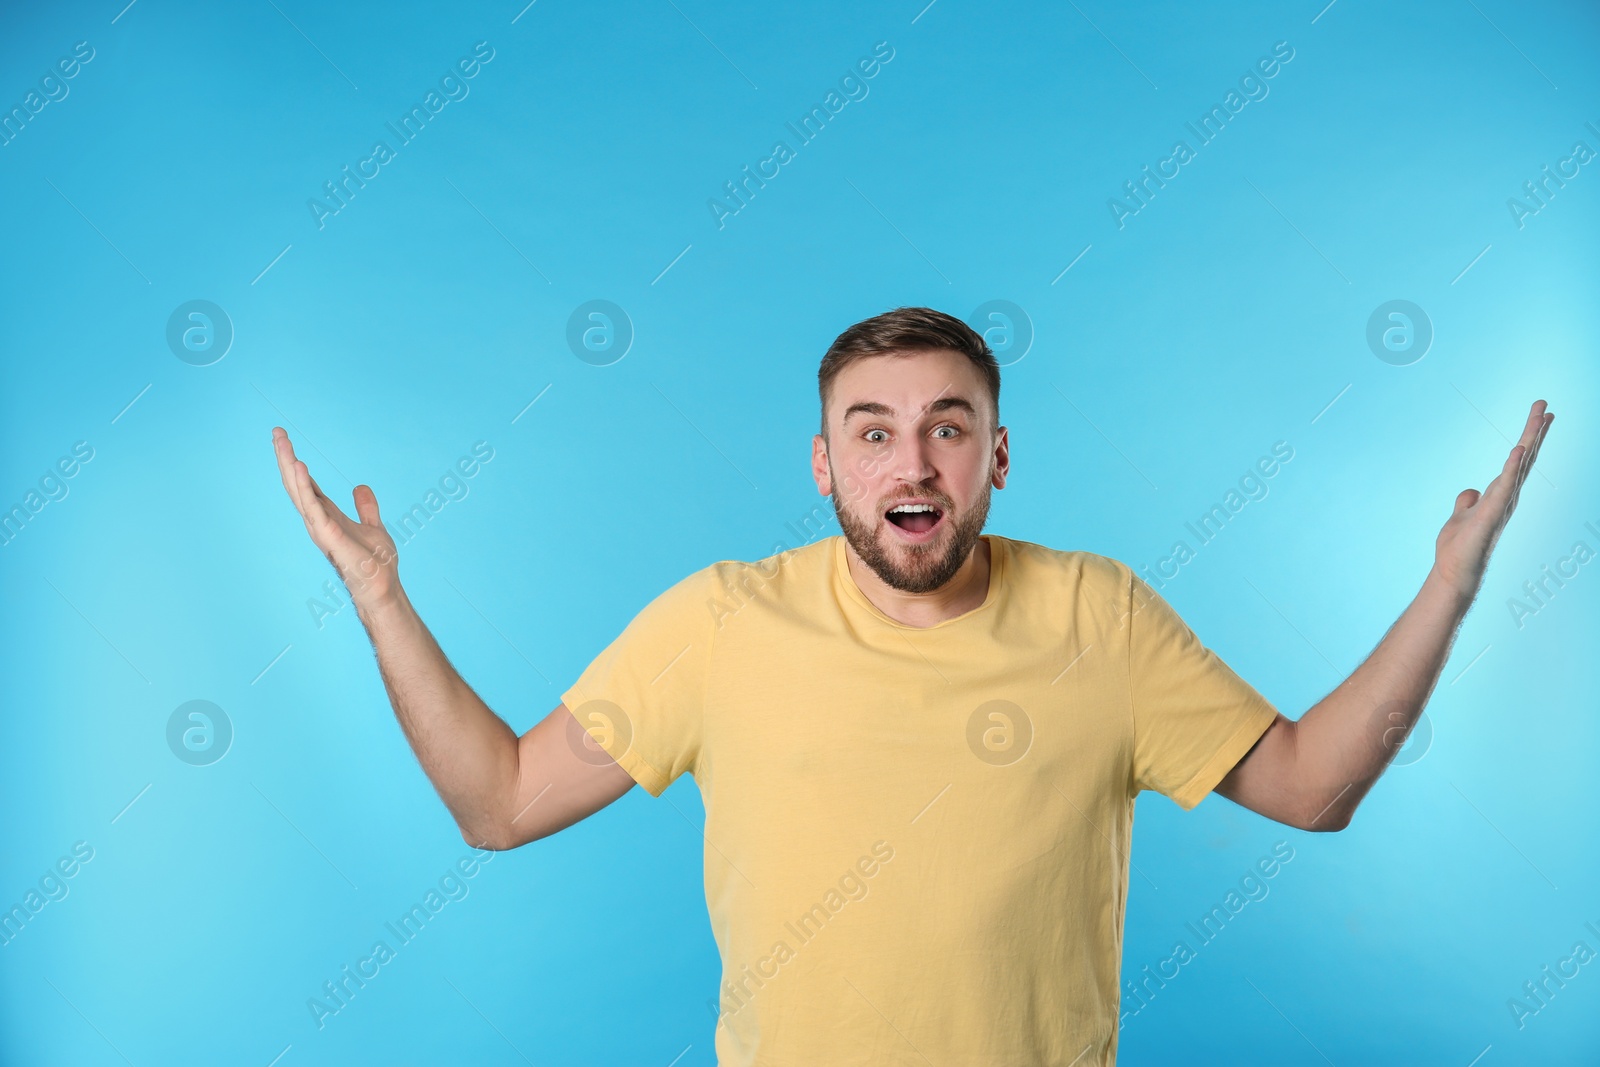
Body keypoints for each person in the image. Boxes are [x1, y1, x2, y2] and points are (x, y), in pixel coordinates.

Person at [271, 306, 1552, 1065]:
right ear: (823, 466)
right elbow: (496, 800)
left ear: (997, 455)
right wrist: (382, 600)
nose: (913, 455)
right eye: (872, 428)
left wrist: (1449, 581)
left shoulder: (1096, 611)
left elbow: (1313, 788)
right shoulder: (721, 620)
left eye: (947, 422)